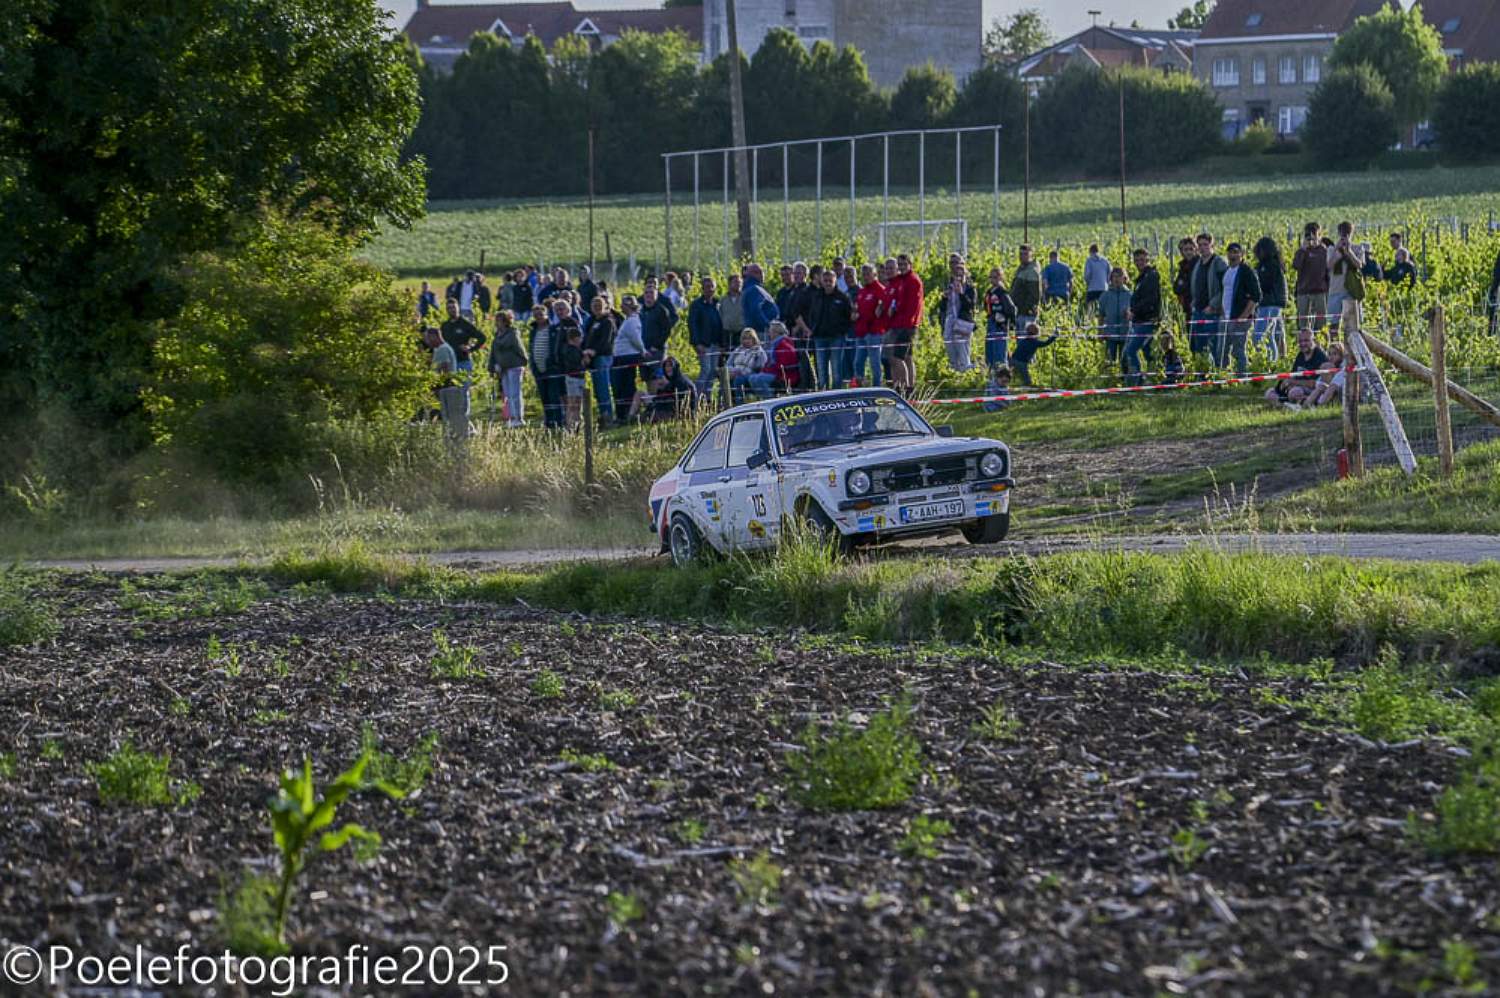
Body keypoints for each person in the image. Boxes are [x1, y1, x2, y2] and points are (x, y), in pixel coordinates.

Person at [1217, 243, 1261, 374]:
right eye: (1230, 252)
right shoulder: (1226, 272)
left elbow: (1256, 295)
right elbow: (1224, 294)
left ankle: (1242, 378)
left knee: (1238, 351)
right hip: (1225, 318)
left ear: (1242, 255)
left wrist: (1244, 316)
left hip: (1240, 319)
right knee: (1221, 351)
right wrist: (1223, 313)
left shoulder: (1246, 272)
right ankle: (1224, 377)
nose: (1233, 255)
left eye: (1236, 252)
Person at [884, 253, 923, 396]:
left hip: (906, 325)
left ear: (910, 265)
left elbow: (913, 306)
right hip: (900, 324)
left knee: (896, 358)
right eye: (899, 265)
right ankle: (907, 387)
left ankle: (905, 389)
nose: (901, 267)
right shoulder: (902, 280)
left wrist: (907, 325)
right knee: (907, 357)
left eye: (904, 264)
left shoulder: (913, 281)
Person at [808, 267, 853, 389]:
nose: (828, 283)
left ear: (835, 281)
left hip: (837, 338)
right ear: (822, 281)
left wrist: (843, 331)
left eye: (830, 281)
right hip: (820, 337)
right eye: (825, 280)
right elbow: (812, 314)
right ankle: (823, 394)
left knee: (836, 369)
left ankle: (836, 394)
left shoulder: (842, 297)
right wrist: (813, 328)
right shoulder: (817, 296)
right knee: (821, 370)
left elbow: (849, 316)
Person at [932, 258, 977, 373]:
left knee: (963, 352)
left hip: (963, 323)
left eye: (961, 276)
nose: (958, 279)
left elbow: (970, 306)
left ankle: (966, 373)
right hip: (950, 322)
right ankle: (955, 372)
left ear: (965, 275)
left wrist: (961, 294)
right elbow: (943, 308)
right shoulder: (949, 288)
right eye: (956, 276)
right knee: (951, 350)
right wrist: (944, 298)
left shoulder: (970, 289)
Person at [1125, 249, 1161, 387]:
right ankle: (1155, 377)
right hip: (1140, 320)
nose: (1139, 263)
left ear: (1147, 260)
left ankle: (1138, 379)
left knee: (1131, 350)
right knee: (1148, 352)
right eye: (1136, 260)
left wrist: (1134, 311)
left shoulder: (1151, 276)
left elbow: (1150, 299)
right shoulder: (1142, 277)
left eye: (1142, 260)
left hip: (1147, 320)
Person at [1265, 326, 1328, 405]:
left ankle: (1295, 404)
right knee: (1269, 393)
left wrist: (1293, 382)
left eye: (1306, 340)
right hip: (1295, 387)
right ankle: (1285, 405)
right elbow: (1293, 374)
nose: (1303, 344)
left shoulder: (1320, 357)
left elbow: (1314, 384)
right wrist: (1285, 382)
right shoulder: (1300, 355)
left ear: (1313, 340)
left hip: (1311, 390)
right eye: (1300, 341)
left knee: (1294, 392)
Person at [487, 311, 528, 428]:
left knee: (515, 394)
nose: (497, 323)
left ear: (505, 322)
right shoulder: (497, 336)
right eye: (496, 321)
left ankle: (518, 418)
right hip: (503, 370)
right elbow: (493, 353)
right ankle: (511, 418)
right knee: (508, 395)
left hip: (514, 367)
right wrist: (491, 367)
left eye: (499, 320)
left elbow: (519, 349)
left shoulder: (512, 334)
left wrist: (524, 361)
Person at [1189, 233, 1227, 361]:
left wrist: (1213, 305)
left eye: (1205, 244)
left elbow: (1225, 288)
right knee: (1198, 348)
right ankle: (1202, 371)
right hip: (1198, 311)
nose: (1202, 248)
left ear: (1212, 245)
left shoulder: (1219, 263)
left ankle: (1216, 371)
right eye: (1200, 245)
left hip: (1212, 312)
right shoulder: (1198, 264)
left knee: (1213, 347)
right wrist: (1194, 301)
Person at [688, 275, 726, 398]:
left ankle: (707, 398)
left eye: (712, 287)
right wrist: (697, 343)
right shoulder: (696, 305)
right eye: (707, 287)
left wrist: (722, 344)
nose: (710, 289)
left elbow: (722, 324)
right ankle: (696, 397)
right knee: (706, 370)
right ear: (702, 288)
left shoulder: (717, 303)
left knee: (713, 371)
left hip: (716, 343)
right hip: (704, 344)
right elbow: (692, 325)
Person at [1252, 236, 1288, 362]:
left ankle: (1269, 360)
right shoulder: (1272, 264)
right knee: (1269, 335)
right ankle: (1272, 360)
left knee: (1260, 336)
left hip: (1269, 303)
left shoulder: (1269, 266)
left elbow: (1265, 285)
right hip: (1272, 303)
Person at [611, 296, 645, 423]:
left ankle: (626, 413)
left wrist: (643, 350)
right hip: (622, 357)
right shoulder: (628, 320)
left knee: (625, 386)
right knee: (621, 386)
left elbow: (635, 338)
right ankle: (622, 413)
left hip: (626, 357)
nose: (621, 306)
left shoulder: (632, 321)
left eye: (623, 304)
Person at [582, 297, 616, 426]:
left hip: (602, 357)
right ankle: (603, 415)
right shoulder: (592, 321)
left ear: (605, 306)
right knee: (598, 390)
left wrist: (593, 351)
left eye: (599, 304)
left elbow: (606, 342)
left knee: (603, 389)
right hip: (593, 359)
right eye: (594, 304)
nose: (596, 307)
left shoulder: (608, 321)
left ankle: (608, 417)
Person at [1326, 221, 1364, 333]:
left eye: (1347, 233)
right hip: (1335, 290)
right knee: (1333, 324)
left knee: (1352, 325)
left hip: (1351, 290)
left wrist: (1349, 251)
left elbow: (1359, 265)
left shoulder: (1358, 248)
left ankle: (1351, 343)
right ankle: (1334, 342)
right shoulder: (1331, 249)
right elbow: (1329, 265)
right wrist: (1337, 250)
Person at [852, 263, 886, 387]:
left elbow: (885, 304)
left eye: (868, 274)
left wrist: (881, 307)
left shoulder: (880, 289)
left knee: (875, 364)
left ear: (874, 274)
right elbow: (857, 308)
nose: (865, 277)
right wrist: (855, 314)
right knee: (857, 363)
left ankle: (877, 389)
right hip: (861, 332)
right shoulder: (862, 291)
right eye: (864, 274)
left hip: (874, 332)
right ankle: (860, 389)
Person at [633, 355, 696, 421]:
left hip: (677, 413)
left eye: (670, 366)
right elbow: (663, 397)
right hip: (666, 408)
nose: (668, 368)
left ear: (675, 367)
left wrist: (654, 406)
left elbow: (673, 403)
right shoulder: (671, 380)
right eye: (666, 366)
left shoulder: (680, 381)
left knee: (645, 417)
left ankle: (635, 419)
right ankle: (630, 417)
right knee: (640, 393)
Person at [1292, 222, 1329, 333]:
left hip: (1320, 291)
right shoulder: (1302, 251)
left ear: (1319, 235)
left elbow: (1328, 270)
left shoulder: (1323, 251)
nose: (1311, 238)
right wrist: (1303, 250)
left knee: (1321, 324)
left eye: (1314, 235)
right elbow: (1296, 265)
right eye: (1308, 235)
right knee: (1303, 325)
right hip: (1303, 291)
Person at [439, 299, 486, 374]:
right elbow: (441, 343)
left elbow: (482, 337)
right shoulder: (445, 326)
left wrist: (471, 348)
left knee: (465, 382)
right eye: (449, 308)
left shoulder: (465, 324)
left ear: (458, 308)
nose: (452, 310)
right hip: (449, 363)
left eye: (454, 307)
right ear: (447, 310)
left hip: (463, 362)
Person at [983, 266, 1017, 370]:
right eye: (991, 277)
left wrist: (1010, 323)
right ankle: (991, 373)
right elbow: (986, 306)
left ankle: (1002, 373)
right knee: (990, 350)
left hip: (1000, 325)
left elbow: (1012, 308)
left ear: (1000, 278)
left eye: (995, 277)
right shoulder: (989, 292)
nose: (993, 279)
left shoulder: (1002, 292)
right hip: (991, 322)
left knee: (999, 352)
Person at [637, 283, 679, 368]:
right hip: (643, 350)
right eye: (646, 292)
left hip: (656, 351)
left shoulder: (662, 310)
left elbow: (666, 330)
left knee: (658, 374)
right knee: (645, 374)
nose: (648, 295)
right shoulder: (640, 310)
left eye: (651, 293)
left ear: (656, 295)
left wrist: (656, 346)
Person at [1097, 266, 1132, 367]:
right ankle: (1110, 376)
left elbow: (1134, 314)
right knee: (1109, 362)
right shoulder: (1105, 295)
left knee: (1125, 362)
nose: (1116, 279)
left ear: (1124, 278)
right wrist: (1100, 332)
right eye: (1114, 277)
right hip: (1110, 334)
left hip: (1125, 333)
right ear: (1111, 279)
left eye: (1119, 276)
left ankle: (1124, 376)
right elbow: (1101, 315)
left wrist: (1129, 314)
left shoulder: (1130, 295)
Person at [725, 329, 768, 403]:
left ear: (754, 339)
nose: (746, 341)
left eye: (749, 338)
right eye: (744, 339)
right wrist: (731, 371)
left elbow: (761, 366)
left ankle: (739, 403)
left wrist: (740, 372)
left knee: (738, 380)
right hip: (734, 372)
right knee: (724, 379)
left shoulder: (758, 351)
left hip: (750, 374)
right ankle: (725, 402)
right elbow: (728, 363)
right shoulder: (738, 350)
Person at [1011, 245, 1043, 346]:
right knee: (1020, 343)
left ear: (1031, 255)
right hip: (1019, 312)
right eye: (1020, 254)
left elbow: (1034, 295)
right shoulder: (1021, 269)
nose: (1022, 256)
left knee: (1027, 343)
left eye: (1025, 254)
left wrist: (1025, 309)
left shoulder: (1032, 271)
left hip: (1027, 314)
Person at [1009, 322, 1057, 387]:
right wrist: (1054, 336)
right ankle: (1027, 388)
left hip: (1013, 360)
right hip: (1022, 363)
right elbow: (1045, 343)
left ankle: (1010, 384)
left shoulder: (1023, 340)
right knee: (1027, 381)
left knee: (1009, 374)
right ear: (1036, 333)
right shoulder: (1035, 342)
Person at [740, 263, 779, 334]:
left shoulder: (752, 288)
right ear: (755, 273)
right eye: (761, 272)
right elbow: (756, 311)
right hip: (762, 331)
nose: (763, 275)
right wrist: (768, 325)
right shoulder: (754, 289)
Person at [1305, 342, 1347, 408]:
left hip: (1342, 392)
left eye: (1335, 354)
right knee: (1321, 387)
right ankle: (1304, 407)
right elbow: (1318, 383)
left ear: (1341, 355)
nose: (1331, 357)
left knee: (1331, 387)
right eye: (1329, 354)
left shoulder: (1343, 368)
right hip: (1329, 393)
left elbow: (1336, 384)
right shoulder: (1328, 367)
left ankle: (1320, 407)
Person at [560, 325, 586, 430]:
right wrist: (583, 361)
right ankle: (570, 425)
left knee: (578, 402)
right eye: (579, 338)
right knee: (572, 403)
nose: (581, 340)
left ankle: (577, 423)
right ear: (574, 339)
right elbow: (574, 364)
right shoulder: (569, 350)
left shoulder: (577, 349)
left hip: (579, 378)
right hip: (573, 378)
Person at [718, 273, 745, 350]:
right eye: (736, 282)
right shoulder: (723, 300)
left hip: (741, 332)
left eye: (740, 282)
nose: (738, 284)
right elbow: (720, 315)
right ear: (729, 284)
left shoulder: (745, 298)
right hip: (727, 334)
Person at [1171, 238, 1197, 318]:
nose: (1188, 252)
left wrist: (1182, 285)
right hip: (1186, 307)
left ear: (1196, 249)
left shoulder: (1199, 265)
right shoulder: (1183, 266)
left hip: (1197, 306)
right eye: (1186, 250)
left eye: (1191, 249)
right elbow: (1176, 288)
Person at [1083, 245, 1110, 311]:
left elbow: (1087, 274)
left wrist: (1088, 283)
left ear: (1090, 251)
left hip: (1092, 288)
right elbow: (1109, 273)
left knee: (1089, 307)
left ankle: (1090, 316)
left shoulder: (1089, 260)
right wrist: (1107, 283)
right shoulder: (1105, 260)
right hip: (1103, 288)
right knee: (1103, 307)